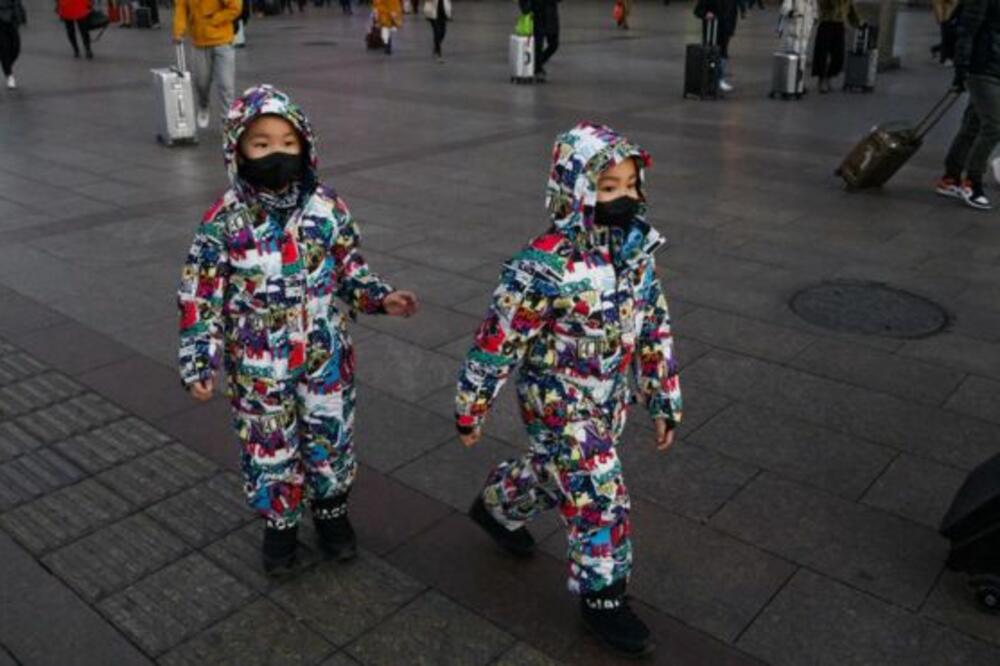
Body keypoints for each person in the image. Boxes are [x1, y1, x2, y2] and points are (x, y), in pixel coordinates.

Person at [455, 122, 682, 658]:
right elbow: (498, 338)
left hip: (608, 396)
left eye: (630, 185)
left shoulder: (635, 252)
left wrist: (661, 394)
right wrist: (473, 402)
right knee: (599, 490)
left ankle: (498, 504)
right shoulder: (543, 265)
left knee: (557, 472)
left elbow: (654, 324)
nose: (622, 196)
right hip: (556, 401)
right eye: (607, 187)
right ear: (573, 190)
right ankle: (603, 596)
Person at [178, 84, 419, 573]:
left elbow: (350, 269)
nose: (277, 154)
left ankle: (331, 512)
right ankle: (280, 524)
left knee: (329, 436)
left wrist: (379, 297)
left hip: (324, 355)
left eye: (289, 143)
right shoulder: (223, 222)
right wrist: (200, 359)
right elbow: (200, 297)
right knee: (270, 445)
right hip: (257, 365)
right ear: (237, 150)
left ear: (306, 146)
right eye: (261, 144)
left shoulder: (328, 208)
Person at [938, 0, 1000, 210]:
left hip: (995, 66)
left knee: (973, 125)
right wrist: (961, 67)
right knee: (994, 126)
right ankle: (972, 182)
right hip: (981, 68)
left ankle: (950, 178)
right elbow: (967, 30)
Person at [173, 0, 242, 129]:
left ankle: (228, 125)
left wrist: (215, 19)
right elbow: (181, 7)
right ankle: (203, 105)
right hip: (199, 42)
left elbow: (235, 7)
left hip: (223, 41)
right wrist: (178, 30)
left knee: (226, 85)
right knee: (201, 82)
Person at [811, 0, 861, 93]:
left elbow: (850, 9)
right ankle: (822, 80)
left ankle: (829, 76)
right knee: (822, 54)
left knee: (839, 55)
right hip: (826, 22)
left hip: (839, 24)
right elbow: (822, 4)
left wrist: (858, 23)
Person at [695, 0, 739, 92]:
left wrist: (731, 29)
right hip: (711, 31)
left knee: (723, 55)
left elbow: (733, 13)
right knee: (710, 55)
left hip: (725, 30)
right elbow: (697, 11)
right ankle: (708, 80)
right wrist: (706, 14)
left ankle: (719, 79)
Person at [520, 0, 559, 80]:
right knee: (538, 45)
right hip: (536, 15)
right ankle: (538, 69)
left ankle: (536, 64)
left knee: (554, 44)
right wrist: (526, 7)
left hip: (551, 15)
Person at [779, 0, 818, 68]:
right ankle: (792, 65)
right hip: (793, 28)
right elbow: (785, 7)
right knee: (792, 49)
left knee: (803, 46)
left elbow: (814, 8)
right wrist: (791, 13)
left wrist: (815, 16)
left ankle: (800, 64)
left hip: (806, 26)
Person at [0, 0, 25, 89]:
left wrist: (22, 16)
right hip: (1, 21)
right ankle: (9, 75)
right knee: (4, 49)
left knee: (16, 48)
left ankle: (6, 66)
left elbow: (18, 3)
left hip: (13, 21)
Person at [931, 0, 960, 65]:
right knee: (948, 37)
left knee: (948, 36)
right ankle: (945, 58)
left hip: (947, 14)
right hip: (947, 14)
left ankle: (939, 51)